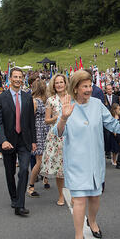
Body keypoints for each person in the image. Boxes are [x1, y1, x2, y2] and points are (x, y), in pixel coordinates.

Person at [54, 70, 120, 239]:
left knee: (95, 197)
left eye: (90, 86)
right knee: (79, 200)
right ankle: (79, 236)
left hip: (95, 161)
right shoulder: (67, 105)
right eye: (84, 86)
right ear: (76, 88)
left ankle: (92, 221)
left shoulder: (97, 104)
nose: (88, 89)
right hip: (77, 162)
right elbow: (58, 132)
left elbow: (111, 123)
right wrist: (64, 117)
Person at [0, 67, 36, 216]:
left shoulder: (27, 97)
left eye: (20, 77)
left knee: (24, 170)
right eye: (15, 77)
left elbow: (32, 121)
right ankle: (14, 197)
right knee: (10, 172)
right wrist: (2, 140)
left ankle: (20, 204)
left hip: (24, 140)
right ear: (10, 79)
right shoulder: (0, 98)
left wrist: (34, 141)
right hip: (8, 141)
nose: (18, 79)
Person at [41, 74, 68, 205]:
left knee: (72, 166)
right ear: (53, 85)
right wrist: (57, 117)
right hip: (56, 136)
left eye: (61, 82)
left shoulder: (72, 98)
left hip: (71, 135)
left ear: (65, 83)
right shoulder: (51, 100)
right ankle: (61, 195)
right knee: (59, 168)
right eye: (56, 83)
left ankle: (74, 194)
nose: (59, 85)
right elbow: (46, 120)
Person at [27, 79, 49, 197]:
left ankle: (45, 179)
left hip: (45, 131)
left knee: (45, 159)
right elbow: (30, 120)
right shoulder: (35, 102)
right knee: (39, 161)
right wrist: (32, 139)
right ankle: (31, 185)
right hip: (38, 132)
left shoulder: (45, 100)